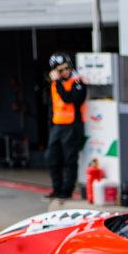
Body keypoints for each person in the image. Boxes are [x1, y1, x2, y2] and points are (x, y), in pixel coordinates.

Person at [44, 52, 86, 200]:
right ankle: (56, 188)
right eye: (60, 70)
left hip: (71, 126)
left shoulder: (77, 82)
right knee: (51, 158)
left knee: (70, 160)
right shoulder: (55, 84)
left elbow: (69, 99)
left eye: (67, 68)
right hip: (57, 126)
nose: (65, 71)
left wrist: (57, 83)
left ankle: (67, 191)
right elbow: (52, 105)